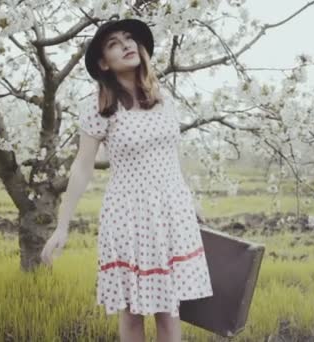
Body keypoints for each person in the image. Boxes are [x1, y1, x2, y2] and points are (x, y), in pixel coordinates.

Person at [40, 18, 213, 342]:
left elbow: (172, 158)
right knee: (132, 312)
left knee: (169, 309)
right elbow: (81, 167)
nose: (127, 45)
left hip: (171, 212)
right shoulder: (99, 106)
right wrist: (62, 226)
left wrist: (191, 201)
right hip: (129, 215)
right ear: (104, 62)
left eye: (130, 38)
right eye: (114, 43)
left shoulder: (164, 99)